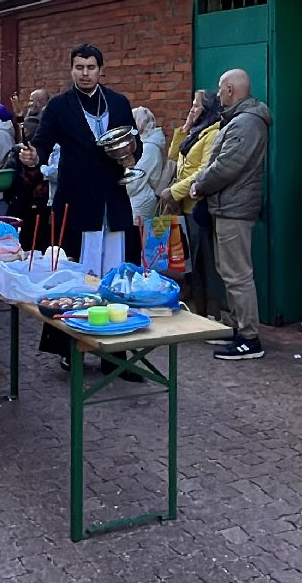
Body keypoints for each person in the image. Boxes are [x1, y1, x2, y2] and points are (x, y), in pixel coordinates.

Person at [18, 44, 136, 374]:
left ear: (101, 70)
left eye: (91, 67)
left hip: (113, 203)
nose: (85, 73)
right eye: (79, 67)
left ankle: (118, 353)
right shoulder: (59, 106)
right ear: (71, 70)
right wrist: (32, 157)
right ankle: (73, 347)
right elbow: (40, 144)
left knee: (115, 279)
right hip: (78, 203)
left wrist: (130, 157)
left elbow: (132, 144)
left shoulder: (118, 102)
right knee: (78, 280)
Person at [189, 69, 271, 361]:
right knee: (229, 272)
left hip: (234, 209)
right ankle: (238, 328)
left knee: (238, 274)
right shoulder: (240, 119)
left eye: (221, 88)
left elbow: (227, 165)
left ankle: (249, 338)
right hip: (226, 206)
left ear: (230, 90)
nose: (217, 94)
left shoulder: (247, 122)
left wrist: (200, 185)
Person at [164, 90, 223, 306]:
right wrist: (186, 127)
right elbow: (173, 156)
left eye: (196, 106)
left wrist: (174, 191)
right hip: (184, 205)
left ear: (207, 110)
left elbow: (203, 170)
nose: (192, 109)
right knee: (190, 262)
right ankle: (198, 308)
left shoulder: (213, 133)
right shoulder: (196, 132)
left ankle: (213, 312)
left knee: (204, 263)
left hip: (198, 205)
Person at [123, 106, 168, 227]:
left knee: (138, 241)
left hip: (141, 201)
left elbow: (135, 180)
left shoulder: (150, 147)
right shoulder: (145, 144)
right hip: (137, 198)